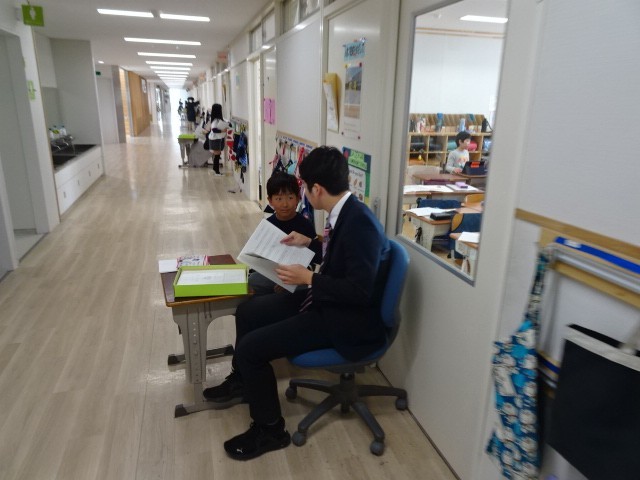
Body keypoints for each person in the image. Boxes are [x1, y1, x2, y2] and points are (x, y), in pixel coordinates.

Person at [203, 146, 391, 461]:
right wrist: (312, 242)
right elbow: (341, 260)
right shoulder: (345, 212)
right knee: (247, 311)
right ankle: (243, 382)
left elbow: (359, 291)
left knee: (250, 349)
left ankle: (270, 430)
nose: (302, 192)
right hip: (326, 301)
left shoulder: (360, 223)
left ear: (317, 189)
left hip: (344, 320)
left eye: (303, 186)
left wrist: (309, 279)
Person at [248, 171, 321, 295]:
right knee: (252, 281)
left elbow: (312, 262)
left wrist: (289, 282)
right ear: (270, 201)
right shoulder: (267, 225)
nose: (285, 204)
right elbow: (257, 259)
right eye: (279, 199)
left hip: (297, 276)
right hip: (271, 274)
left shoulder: (305, 225)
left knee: (299, 289)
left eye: (290, 198)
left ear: (298, 198)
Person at [205, 103, 232, 175]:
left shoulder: (218, 119)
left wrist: (228, 123)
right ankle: (216, 171)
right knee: (217, 154)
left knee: (217, 154)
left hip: (216, 139)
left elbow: (226, 121)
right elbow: (214, 130)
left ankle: (215, 170)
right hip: (214, 139)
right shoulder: (215, 120)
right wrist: (222, 130)